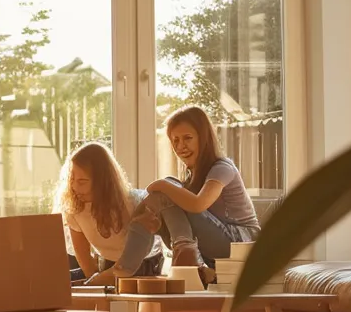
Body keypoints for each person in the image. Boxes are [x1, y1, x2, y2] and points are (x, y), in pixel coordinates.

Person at [118, 106, 261, 285]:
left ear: (204, 138)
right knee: (165, 199)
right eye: (175, 140)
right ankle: (175, 257)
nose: (180, 146)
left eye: (187, 138)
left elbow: (198, 204)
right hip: (216, 246)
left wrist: (163, 185)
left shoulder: (222, 167)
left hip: (241, 241)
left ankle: (125, 266)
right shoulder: (191, 176)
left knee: (168, 190)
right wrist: (159, 224)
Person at [58, 143, 163, 286]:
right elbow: (82, 254)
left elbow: (136, 252)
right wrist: (95, 283)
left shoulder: (131, 204)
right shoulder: (74, 209)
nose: (75, 187)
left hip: (145, 261)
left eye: (82, 181)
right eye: (71, 180)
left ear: (102, 182)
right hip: (108, 262)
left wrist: (102, 279)